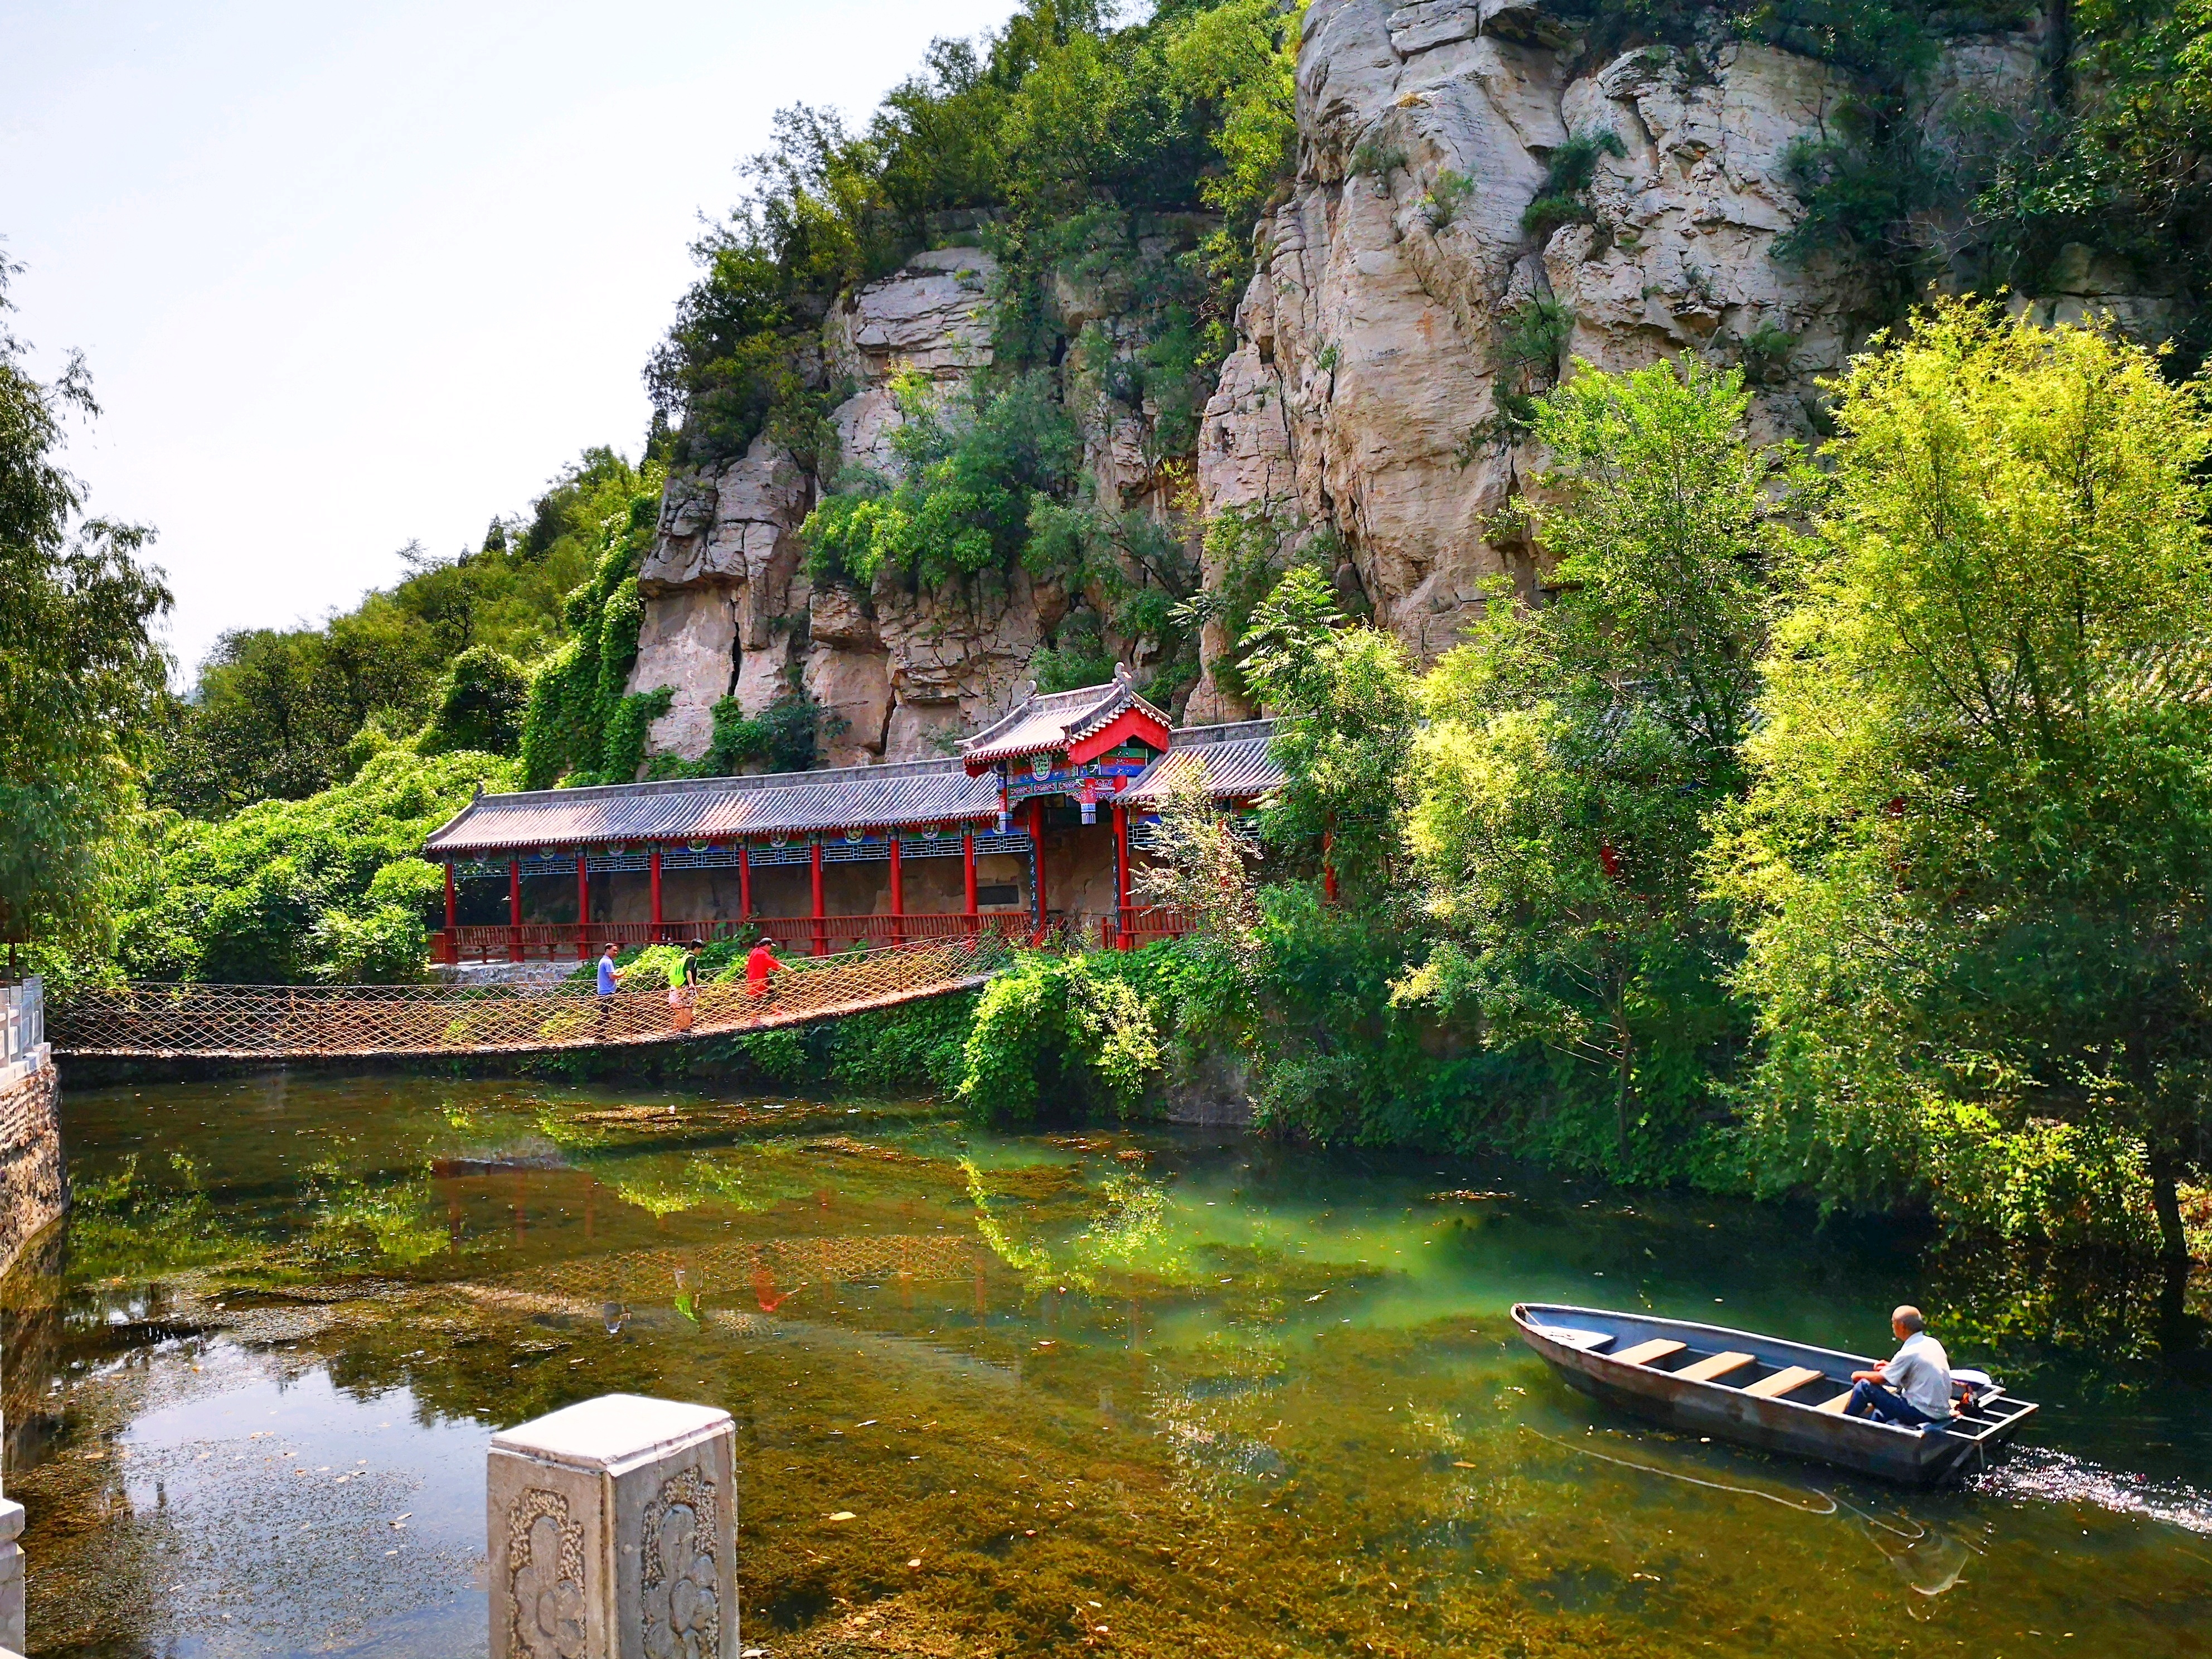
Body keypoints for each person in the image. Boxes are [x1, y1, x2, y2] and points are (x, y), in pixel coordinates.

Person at [1845, 1305, 1954, 1428]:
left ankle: (1841, 1424)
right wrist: (1891, 1367)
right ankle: (1874, 1434)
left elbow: (1881, 1379)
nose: (1892, 1327)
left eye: (1893, 1323)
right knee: (1882, 1411)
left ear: (1902, 1326)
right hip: (1939, 1412)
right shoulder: (1932, 1343)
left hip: (1921, 1413)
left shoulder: (1909, 1352)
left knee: (1864, 1387)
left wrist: (1857, 1375)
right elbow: (1916, 1369)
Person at [744, 937, 785, 1001]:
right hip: (760, 979)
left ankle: (773, 1009)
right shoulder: (762, 953)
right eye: (770, 946)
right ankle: (772, 1009)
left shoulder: (755, 951)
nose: (770, 948)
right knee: (769, 994)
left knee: (759, 996)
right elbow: (772, 963)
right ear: (766, 945)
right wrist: (786, 968)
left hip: (753, 977)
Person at [594, 943, 622, 1030]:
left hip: (604, 990)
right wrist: (623, 974)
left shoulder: (604, 960)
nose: (616, 953)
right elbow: (612, 976)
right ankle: (600, 1034)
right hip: (607, 991)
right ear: (607, 950)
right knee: (605, 1014)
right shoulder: (608, 962)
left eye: (617, 951)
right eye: (614, 950)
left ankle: (602, 1033)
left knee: (605, 1013)